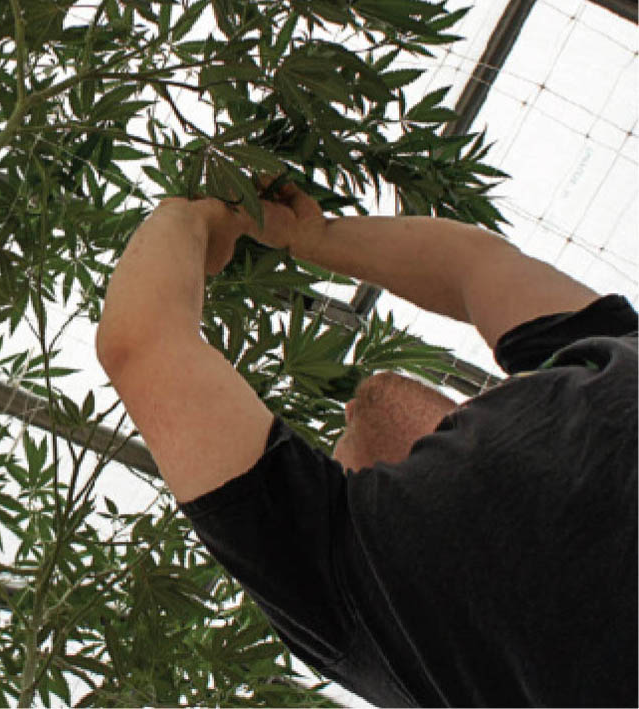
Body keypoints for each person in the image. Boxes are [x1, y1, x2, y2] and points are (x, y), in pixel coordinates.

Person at [95, 180, 637, 707]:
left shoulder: (591, 356)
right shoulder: (363, 600)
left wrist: (310, 236)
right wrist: (190, 213)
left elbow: (474, 265)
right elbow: (142, 345)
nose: (346, 413)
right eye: (336, 458)